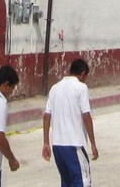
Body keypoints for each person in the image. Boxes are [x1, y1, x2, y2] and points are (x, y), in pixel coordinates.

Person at [42, 58, 99, 187]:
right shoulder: (81, 87)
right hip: (75, 145)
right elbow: (86, 116)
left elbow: (46, 116)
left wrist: (46, 142)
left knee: (66, 183)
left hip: (57, 146)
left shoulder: (54, 88)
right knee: (82, 183)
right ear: (83, 74)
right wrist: (93, 143)